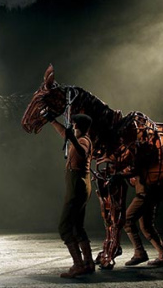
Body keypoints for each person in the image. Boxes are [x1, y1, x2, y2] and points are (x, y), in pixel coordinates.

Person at [49, 113, 95, 278]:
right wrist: (52, 120)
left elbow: (81, 152)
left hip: (77, 185)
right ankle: (88, 263)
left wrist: (73, 139)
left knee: (65, 227)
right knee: (77, 226)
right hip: (80, 184)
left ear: (78, 126)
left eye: (74, 124)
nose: (72, 126)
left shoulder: (83, 140)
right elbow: (64, 133)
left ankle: (78, 264)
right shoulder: (80, 138)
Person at [123, 177, 163, 267]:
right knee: (146, 226)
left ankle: (139, 252)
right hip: (151, 192)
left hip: (145, 192)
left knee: (127, 220)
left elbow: (136, 169)